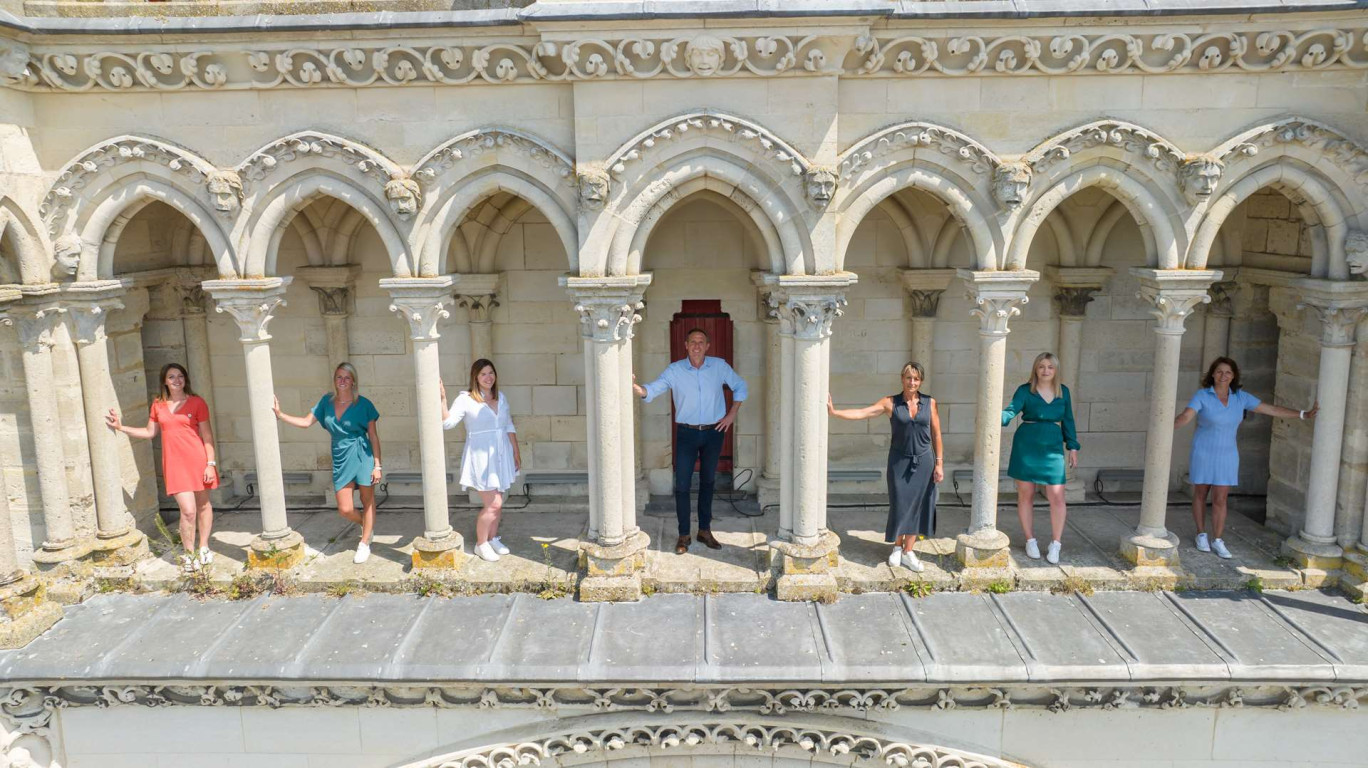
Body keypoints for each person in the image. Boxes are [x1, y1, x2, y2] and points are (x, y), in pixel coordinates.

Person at [1175, 357, 1316, 559]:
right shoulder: (1203, 395)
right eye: (1219, 372)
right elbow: (1187, 416)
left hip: (1228, 454)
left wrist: (1304, 414)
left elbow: (1272, 409)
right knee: (1200, 493)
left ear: (1234, 376)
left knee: (1220, 498)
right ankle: (1201, 534)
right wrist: (1164, 428)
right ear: (1212, 374)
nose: (1223, 376)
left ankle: (1218, 540)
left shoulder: (1241, 397)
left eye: (1228, 372)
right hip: (1203, 452)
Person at [633, 328, 747, 555]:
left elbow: (740, 386)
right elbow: (656, 388)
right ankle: (684, 534)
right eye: (692, 342)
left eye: (701, 342)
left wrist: (731, 414)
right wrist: (639, 389)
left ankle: (704, 530)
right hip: (686, 433)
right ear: (685, 345)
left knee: (708, 482)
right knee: (683, 485)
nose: (696, 345)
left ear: (707, 346)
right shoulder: (675, 370)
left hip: (714, 432)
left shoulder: (719, 366)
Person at [827, 362, 942, 572]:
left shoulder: (930, 403)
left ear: (921, 381)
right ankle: (897, 547)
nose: (912, 382)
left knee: (918, 506)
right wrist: (835, 413)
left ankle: (909, 551)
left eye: (916, 379)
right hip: (899, 461)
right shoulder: (891, 403)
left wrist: (939, 463)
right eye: (908, 378)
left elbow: (936, 434)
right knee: (900, 504)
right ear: (902, 378)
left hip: (924, 461)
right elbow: (865, 412)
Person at [106, 363, 218, 573]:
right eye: (172, 377)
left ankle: (203, 546)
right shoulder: (158, 405)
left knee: (203, 505)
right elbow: (149, 432)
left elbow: (208, 436)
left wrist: (210, 464)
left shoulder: (197, 403)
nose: (177, 380)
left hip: (198, 460)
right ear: (165, 381)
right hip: (175, 465)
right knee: (188, 511)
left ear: (185, 380)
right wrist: (121, 427)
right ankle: (189, 554)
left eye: (180, 376)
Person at [272, 362, 382, 564]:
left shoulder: (364, 404)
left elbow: (373, 437)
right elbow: (306, 422)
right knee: (345, 508)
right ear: (334, 380)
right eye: (339, 377)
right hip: (340, 455)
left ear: (353, 381)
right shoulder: (326, 402)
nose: (342, 381)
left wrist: (377, 465)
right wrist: (280, 416)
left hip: (362, 454)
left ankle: (364, 542)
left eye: (347, 378)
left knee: (368, 500)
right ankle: (367, 525)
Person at [1002, 352, 1080, 565]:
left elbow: (1069, 420)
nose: (1045, 370)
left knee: (1057, 495)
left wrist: (1072, 447)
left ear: (1055, 370)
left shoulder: (1063, 391)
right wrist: (995, 417)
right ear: (1035, 369)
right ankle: (1030, 540)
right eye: (1041, 366)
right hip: (1027, 445)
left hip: (1053, 447)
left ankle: (1056, 544)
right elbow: (1011, 411)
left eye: (1050, 367)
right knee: (1026, 494)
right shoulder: (1024, 390)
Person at [441, 358, 521, 563]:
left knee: (499, 502)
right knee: (493, 504)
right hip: (481, 458)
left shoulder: (500, 397)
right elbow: (448, 423)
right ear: (475, 377)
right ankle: (481, 544)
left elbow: (508, 425)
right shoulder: (466, 399)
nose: (488, 377)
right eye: (483, 374)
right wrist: (442, 400)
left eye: (491, 373)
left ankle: (493, 538)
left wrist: (516, 451)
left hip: (502, 455)